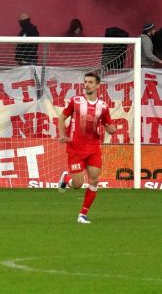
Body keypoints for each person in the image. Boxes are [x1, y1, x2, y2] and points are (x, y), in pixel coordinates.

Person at [57, 71, 114, 224]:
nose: (87, 85)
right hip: (75, 148)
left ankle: (83, 214)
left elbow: (108, 124)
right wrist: (62, 134)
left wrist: (111, 129)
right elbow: (62, 117)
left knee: (94, 179)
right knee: (78, 184)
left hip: (94, 147)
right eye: (85, 82)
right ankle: (66, 179)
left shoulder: (103, 106)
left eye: (90, 82)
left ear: (97, 85)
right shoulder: (75, 101)